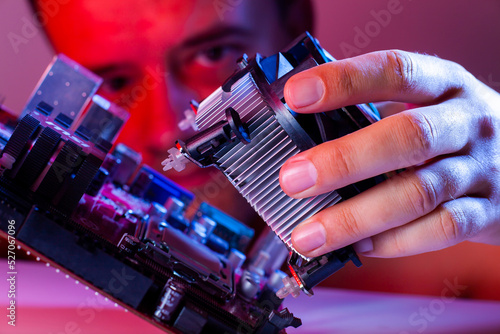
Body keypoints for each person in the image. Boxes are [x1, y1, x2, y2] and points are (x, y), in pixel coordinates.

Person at [29, 0, 500, 298]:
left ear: (297, 19)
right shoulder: (19, 251)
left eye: (212, 53)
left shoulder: (464, 244)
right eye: (116, 82)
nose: (167, 128)